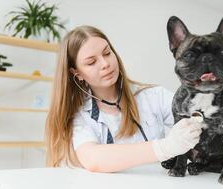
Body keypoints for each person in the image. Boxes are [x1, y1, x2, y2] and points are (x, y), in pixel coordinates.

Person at [45, 25, 203, 172]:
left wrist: (197, 119)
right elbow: (93, 159)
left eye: (107, 53)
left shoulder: (154, 96)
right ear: (77, 73)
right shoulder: (81, 117)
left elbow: (201, 115)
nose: (105, 63)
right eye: (92, 62)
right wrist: (165, 147)